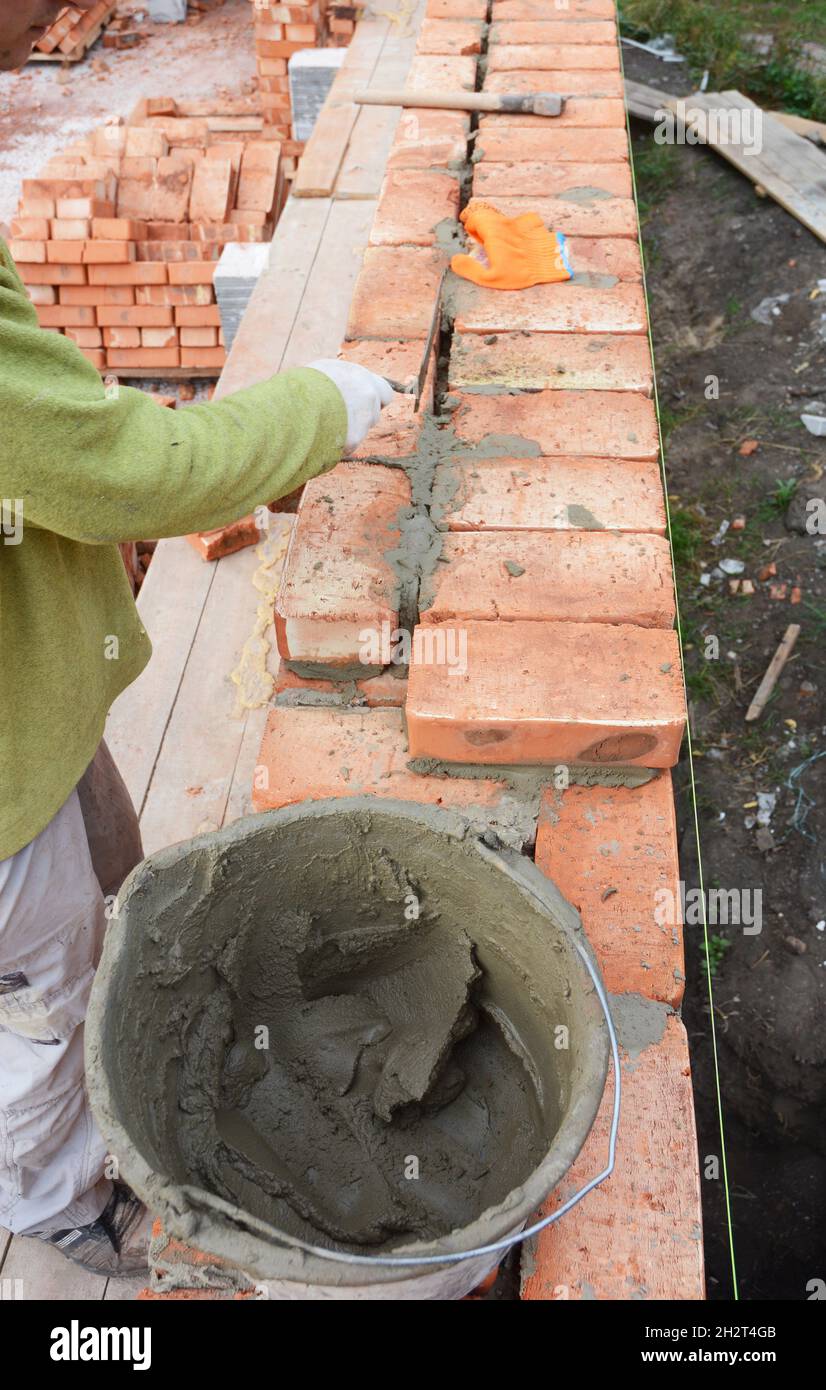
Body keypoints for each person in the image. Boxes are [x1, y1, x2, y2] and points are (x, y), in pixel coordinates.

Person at [0, 0, 394, 1276]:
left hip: (34, 719)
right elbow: (129, 475)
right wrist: (317, 408)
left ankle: (139, 1036)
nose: (60, 12)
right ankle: (58, 1204)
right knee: (37, 1016)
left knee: (108, 911)